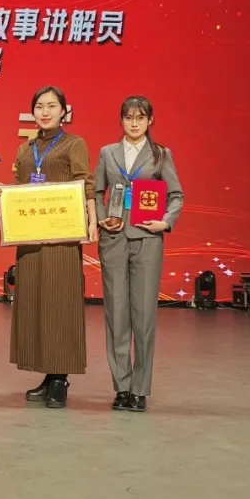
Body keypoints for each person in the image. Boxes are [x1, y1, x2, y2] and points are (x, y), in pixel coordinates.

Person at [0, 87, 98, 409]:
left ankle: (60, 380)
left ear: (63, 111)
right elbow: (23, 190)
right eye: (39, 106)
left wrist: (92, 221)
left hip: (62, 239)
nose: (45, 112)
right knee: (36, 305)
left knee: (60, 304)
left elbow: (85, 183)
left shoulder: (74, 144)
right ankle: (47, 374)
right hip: (30, 239)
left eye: (52, 106)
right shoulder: (25, 149)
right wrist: (4, 195)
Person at [93, 95, 183, 412]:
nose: (134, 123)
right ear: (121, 120)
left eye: (140, 117)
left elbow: (176, 195)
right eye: (129, 117)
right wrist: (102, 218)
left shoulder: (160, 155)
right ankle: (122, 387)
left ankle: (140, 389)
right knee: (116, 315)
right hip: (114, 239)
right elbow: (96, 192)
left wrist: (165, 222)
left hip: (147, 239)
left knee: (143, 316)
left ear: (150, 121)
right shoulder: (107, 153)